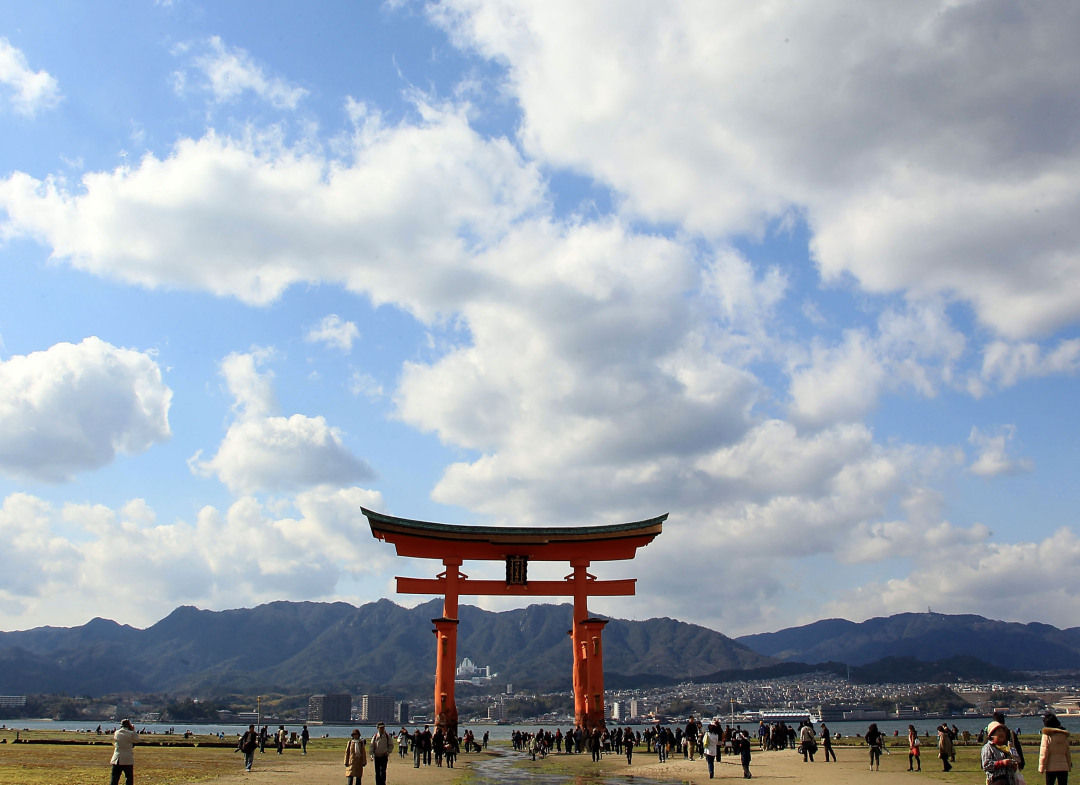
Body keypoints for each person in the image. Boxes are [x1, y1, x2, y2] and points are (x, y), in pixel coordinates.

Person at [983, 719, 1020, 785]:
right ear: (992, 735)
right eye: (999, 731)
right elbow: (986, 765)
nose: (1002, 733)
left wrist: (1013, 766)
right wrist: (1001, 763)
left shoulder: (1007, 748)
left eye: (1003, 731)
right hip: (996, 781)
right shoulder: (988, 747)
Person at [1039, 711, 1072, 785]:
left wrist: (1041, 768)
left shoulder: (1047, 735)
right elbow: (1067, 753)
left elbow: (1043, 753)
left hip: (1051, 767)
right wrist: (1069, 765)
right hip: (1063, 767)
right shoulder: (1064, 735)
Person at [109, 718, 139, 785]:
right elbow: (137, 740)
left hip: (117, 758)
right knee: (129, 778)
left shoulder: (117, 733)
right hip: (127, 759)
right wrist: (133, 730)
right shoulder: (131, 733)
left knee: (114, 778)